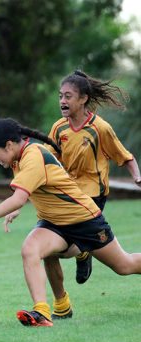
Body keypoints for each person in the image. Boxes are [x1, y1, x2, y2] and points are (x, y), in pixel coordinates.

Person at [0, 118, 141, 328]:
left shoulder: (33, 156)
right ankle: (41, 312)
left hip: (84, 220)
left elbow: (18, 196)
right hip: (54, 222)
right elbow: (29, 189)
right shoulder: (18, 158)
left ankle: (80, 250)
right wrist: (18, 207)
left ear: (9, 145)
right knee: (30, 249)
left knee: (125, 266)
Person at [43, 70, 141, 292]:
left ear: (83, 98)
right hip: (67, 195)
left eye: (68, 96)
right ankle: (62, 303)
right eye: (60, 96)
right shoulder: (59, 128)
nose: (62, 101)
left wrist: (136, 175)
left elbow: (125, 156)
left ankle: (82, 248)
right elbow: (47, 160)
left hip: (93, 197)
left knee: (119, 265)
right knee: (49, 249)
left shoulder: (100, 128)